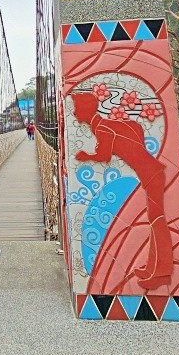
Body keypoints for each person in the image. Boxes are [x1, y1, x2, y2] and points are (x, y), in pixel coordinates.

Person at [71, 90, 173, 289]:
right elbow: (135, 129)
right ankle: (154, 267)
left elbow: (104, 156)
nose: (74, 113)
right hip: (152, 174)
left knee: (157, 221)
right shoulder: (107, 125)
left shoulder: (103, 128)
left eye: (76, 109)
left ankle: (162, 272)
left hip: (152, 175)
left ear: (85, 110)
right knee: (155, 220)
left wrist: (85, 155)